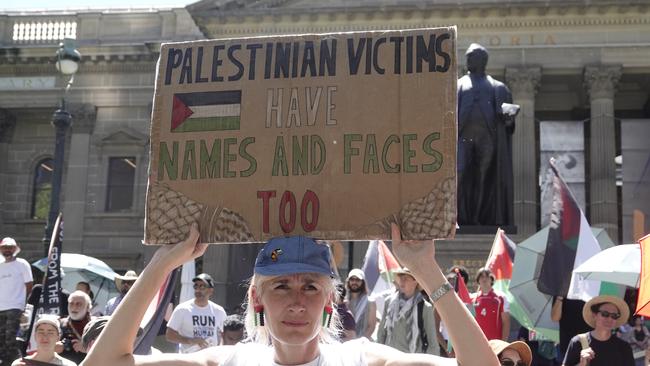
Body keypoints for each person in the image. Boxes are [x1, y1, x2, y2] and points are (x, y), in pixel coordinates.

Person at [82, 223, 499, 366]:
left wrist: (425, 269)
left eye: (311, 287)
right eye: (281, 286)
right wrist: (161, 264)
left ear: (329, 301)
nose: (297, 301)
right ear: (258, 300)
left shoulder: (360, 358)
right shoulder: (230, 360)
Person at [457, 43, 516, 226]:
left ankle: (478, 218)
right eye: (467, 56)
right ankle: (456, 217)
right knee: (459, 174)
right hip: (462, 139)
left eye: (471, 56)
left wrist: (509, 117)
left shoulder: (498, 88)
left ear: (483, 60)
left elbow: (507, 122)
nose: (468, 59)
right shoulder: (457, 85)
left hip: (487, 139)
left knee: (485, 178)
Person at [377, 267, 439, 355]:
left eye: (406, 279)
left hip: (412, 360)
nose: (402, 282)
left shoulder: (424, 307)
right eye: (400, 278)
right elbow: (382, 332)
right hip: (389, 357)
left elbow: (432, 341)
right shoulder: (389, 302)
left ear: (415, 282)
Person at [562, 295, 634, 366]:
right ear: (594, 315)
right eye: (605, 314)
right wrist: (581, 364)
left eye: (614, 316)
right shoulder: (578, 342)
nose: (609, 319)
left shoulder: (624, 348)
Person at [166, 273, 227, 353]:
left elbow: (225, 334)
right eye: (196, 286)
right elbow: (169, 335)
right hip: (189, 358)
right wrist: (191, 341)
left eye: (202, 286)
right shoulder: (182, 309)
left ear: (210, 290)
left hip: (211, 357)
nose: (198, 290)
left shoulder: (219, 311)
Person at [0, 237, 34, 365]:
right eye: (4, 247)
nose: (7, 250)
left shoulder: (22, 263)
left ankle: (19, 362)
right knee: (2, 340)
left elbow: (29, 284)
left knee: (11, 339)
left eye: (10, 247)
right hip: (1, 308)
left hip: (15, 307)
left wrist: (24, 305)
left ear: (15, 249)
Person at [12, 315, 76, 366]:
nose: (45, 337)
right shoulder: (20, 364)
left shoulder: (69, 365)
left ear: (58, 338)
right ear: (35, 336)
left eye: (50, 333)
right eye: (41, 332)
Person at [472, 267, 510, 341]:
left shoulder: (501, 297)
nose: (484, 279)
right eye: (481, 277)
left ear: (491, 279)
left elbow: (506, 322)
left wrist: (503, 342)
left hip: (496, 343)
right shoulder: (473, 298)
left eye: (487, 276)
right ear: (478, 280)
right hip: (477, 342)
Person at [59, 291, 94, 364]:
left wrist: (88, 349)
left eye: (79, 304)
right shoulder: (59, 324)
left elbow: (106, 351)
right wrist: (53, 347)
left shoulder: (96, 326)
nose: (74, 307)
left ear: (88, 307)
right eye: (71, 303)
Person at [344, 268, 377, 339]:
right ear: (348, 281)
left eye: (357, 280)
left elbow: (371, 326)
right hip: (344, 343)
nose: (354, 282)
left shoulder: (370, 302)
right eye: (352, 279)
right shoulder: (343, 301)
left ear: (363, 282)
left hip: (362, 343)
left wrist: (360, 341)